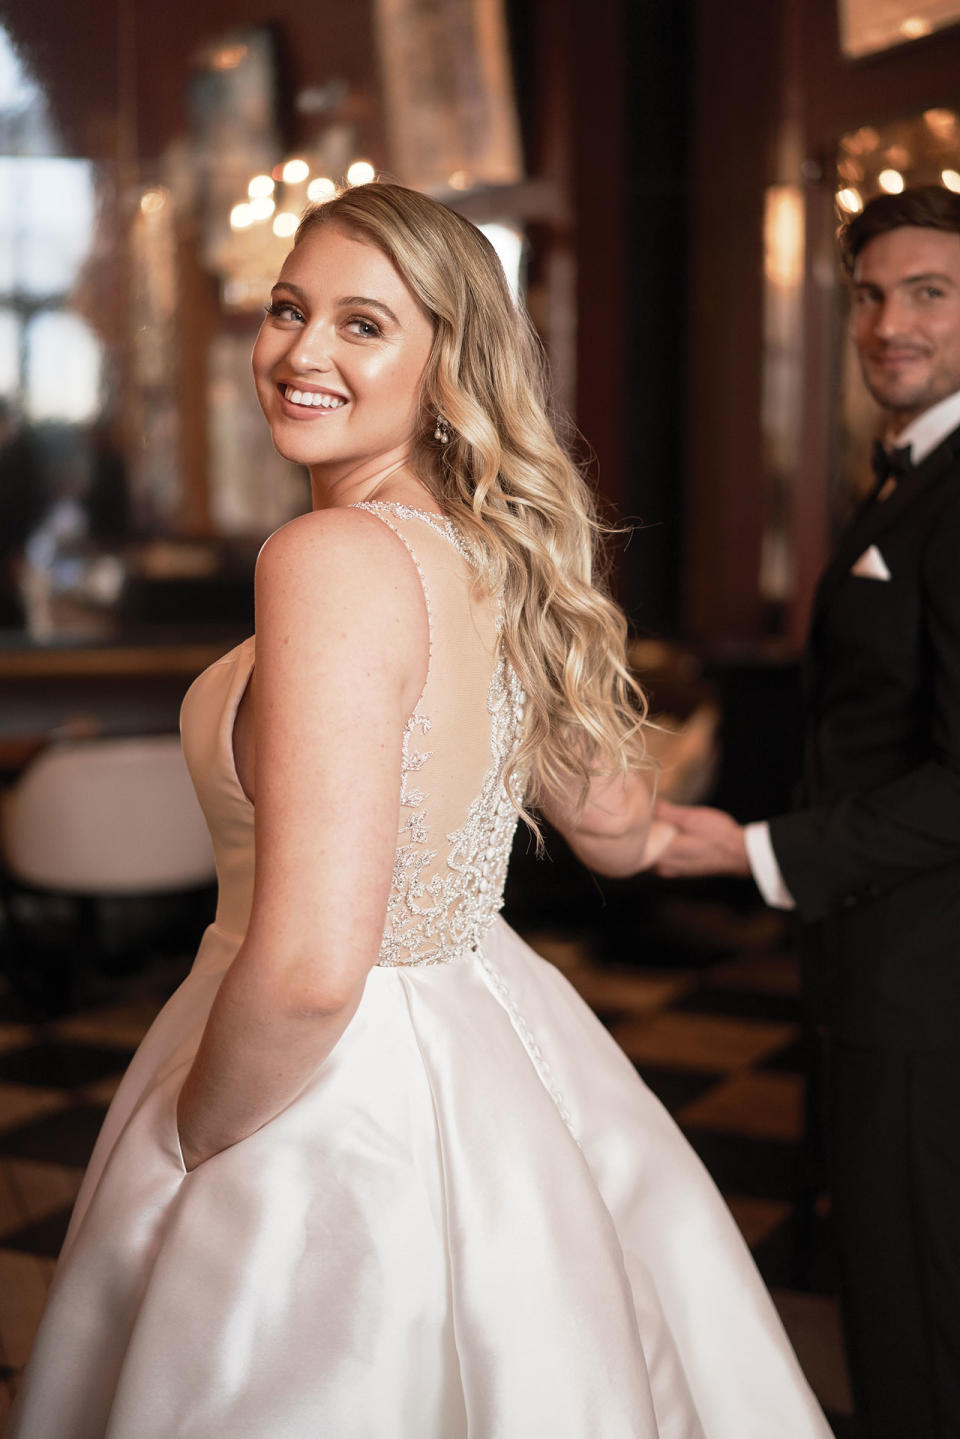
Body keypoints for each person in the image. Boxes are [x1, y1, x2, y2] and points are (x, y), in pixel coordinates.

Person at [9, 182, 829, 1438]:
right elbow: (613, 821)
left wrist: (182, 1141)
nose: (300, 350)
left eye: (362, 323)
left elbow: (311, 970)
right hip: (492, 1016)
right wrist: (688, 836)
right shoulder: (496, 558)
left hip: (320, 1075)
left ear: (450, 364)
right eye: (290, 309)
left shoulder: (329, 560)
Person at [654, 184, 960, 1439]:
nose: (889, 322)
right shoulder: (910, 473)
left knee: (917, 1318)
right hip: (876, 960)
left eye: (930, 293)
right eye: (872, 295)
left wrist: (762, 846)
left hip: (927, 983)